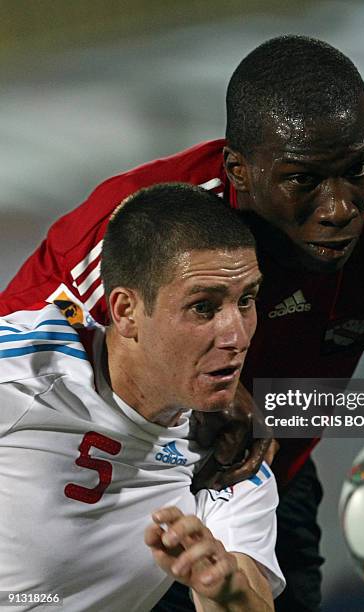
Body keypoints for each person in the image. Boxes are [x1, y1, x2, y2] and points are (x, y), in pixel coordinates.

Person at [1, 35, 364, 611]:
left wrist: (261, 406)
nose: (339, 208)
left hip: (256, 475)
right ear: (238, 170)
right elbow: (32, 326)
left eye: (356, 168)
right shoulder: (151, 226)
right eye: (303, 181)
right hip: (122, 485)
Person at [0, 183, 284, 612]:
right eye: (203, 307)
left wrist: (225, 592)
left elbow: (250, 601)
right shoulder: (25, 371)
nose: (236, 336)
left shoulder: (231, 454)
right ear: (126, 312)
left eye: (246, 300)